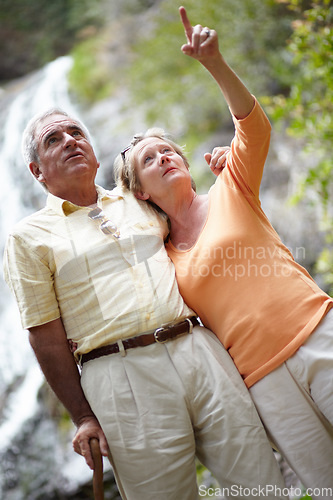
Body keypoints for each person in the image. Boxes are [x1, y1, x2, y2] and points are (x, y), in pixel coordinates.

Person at [2, 12, 288, 500]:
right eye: (54, 139)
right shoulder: (28, 237)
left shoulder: (139, 199)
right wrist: (84, 416)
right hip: (120, 375)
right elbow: (45, 337)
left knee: (261, 485)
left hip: (201, 351)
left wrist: (221, 161)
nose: (71, 140)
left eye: (76, 133)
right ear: (35, 170)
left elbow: (194, 208)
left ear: (95, 153)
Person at [115, 6, 333, 497]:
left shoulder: (231, 185)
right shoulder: (159, 257)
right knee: (324, 484)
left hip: (318, 333)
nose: (163, 156)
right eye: (149, 159)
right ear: (141, 192)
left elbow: (254, 129)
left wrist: (213, 61)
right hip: (263, 381)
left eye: (167, 150)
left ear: (187, 163)